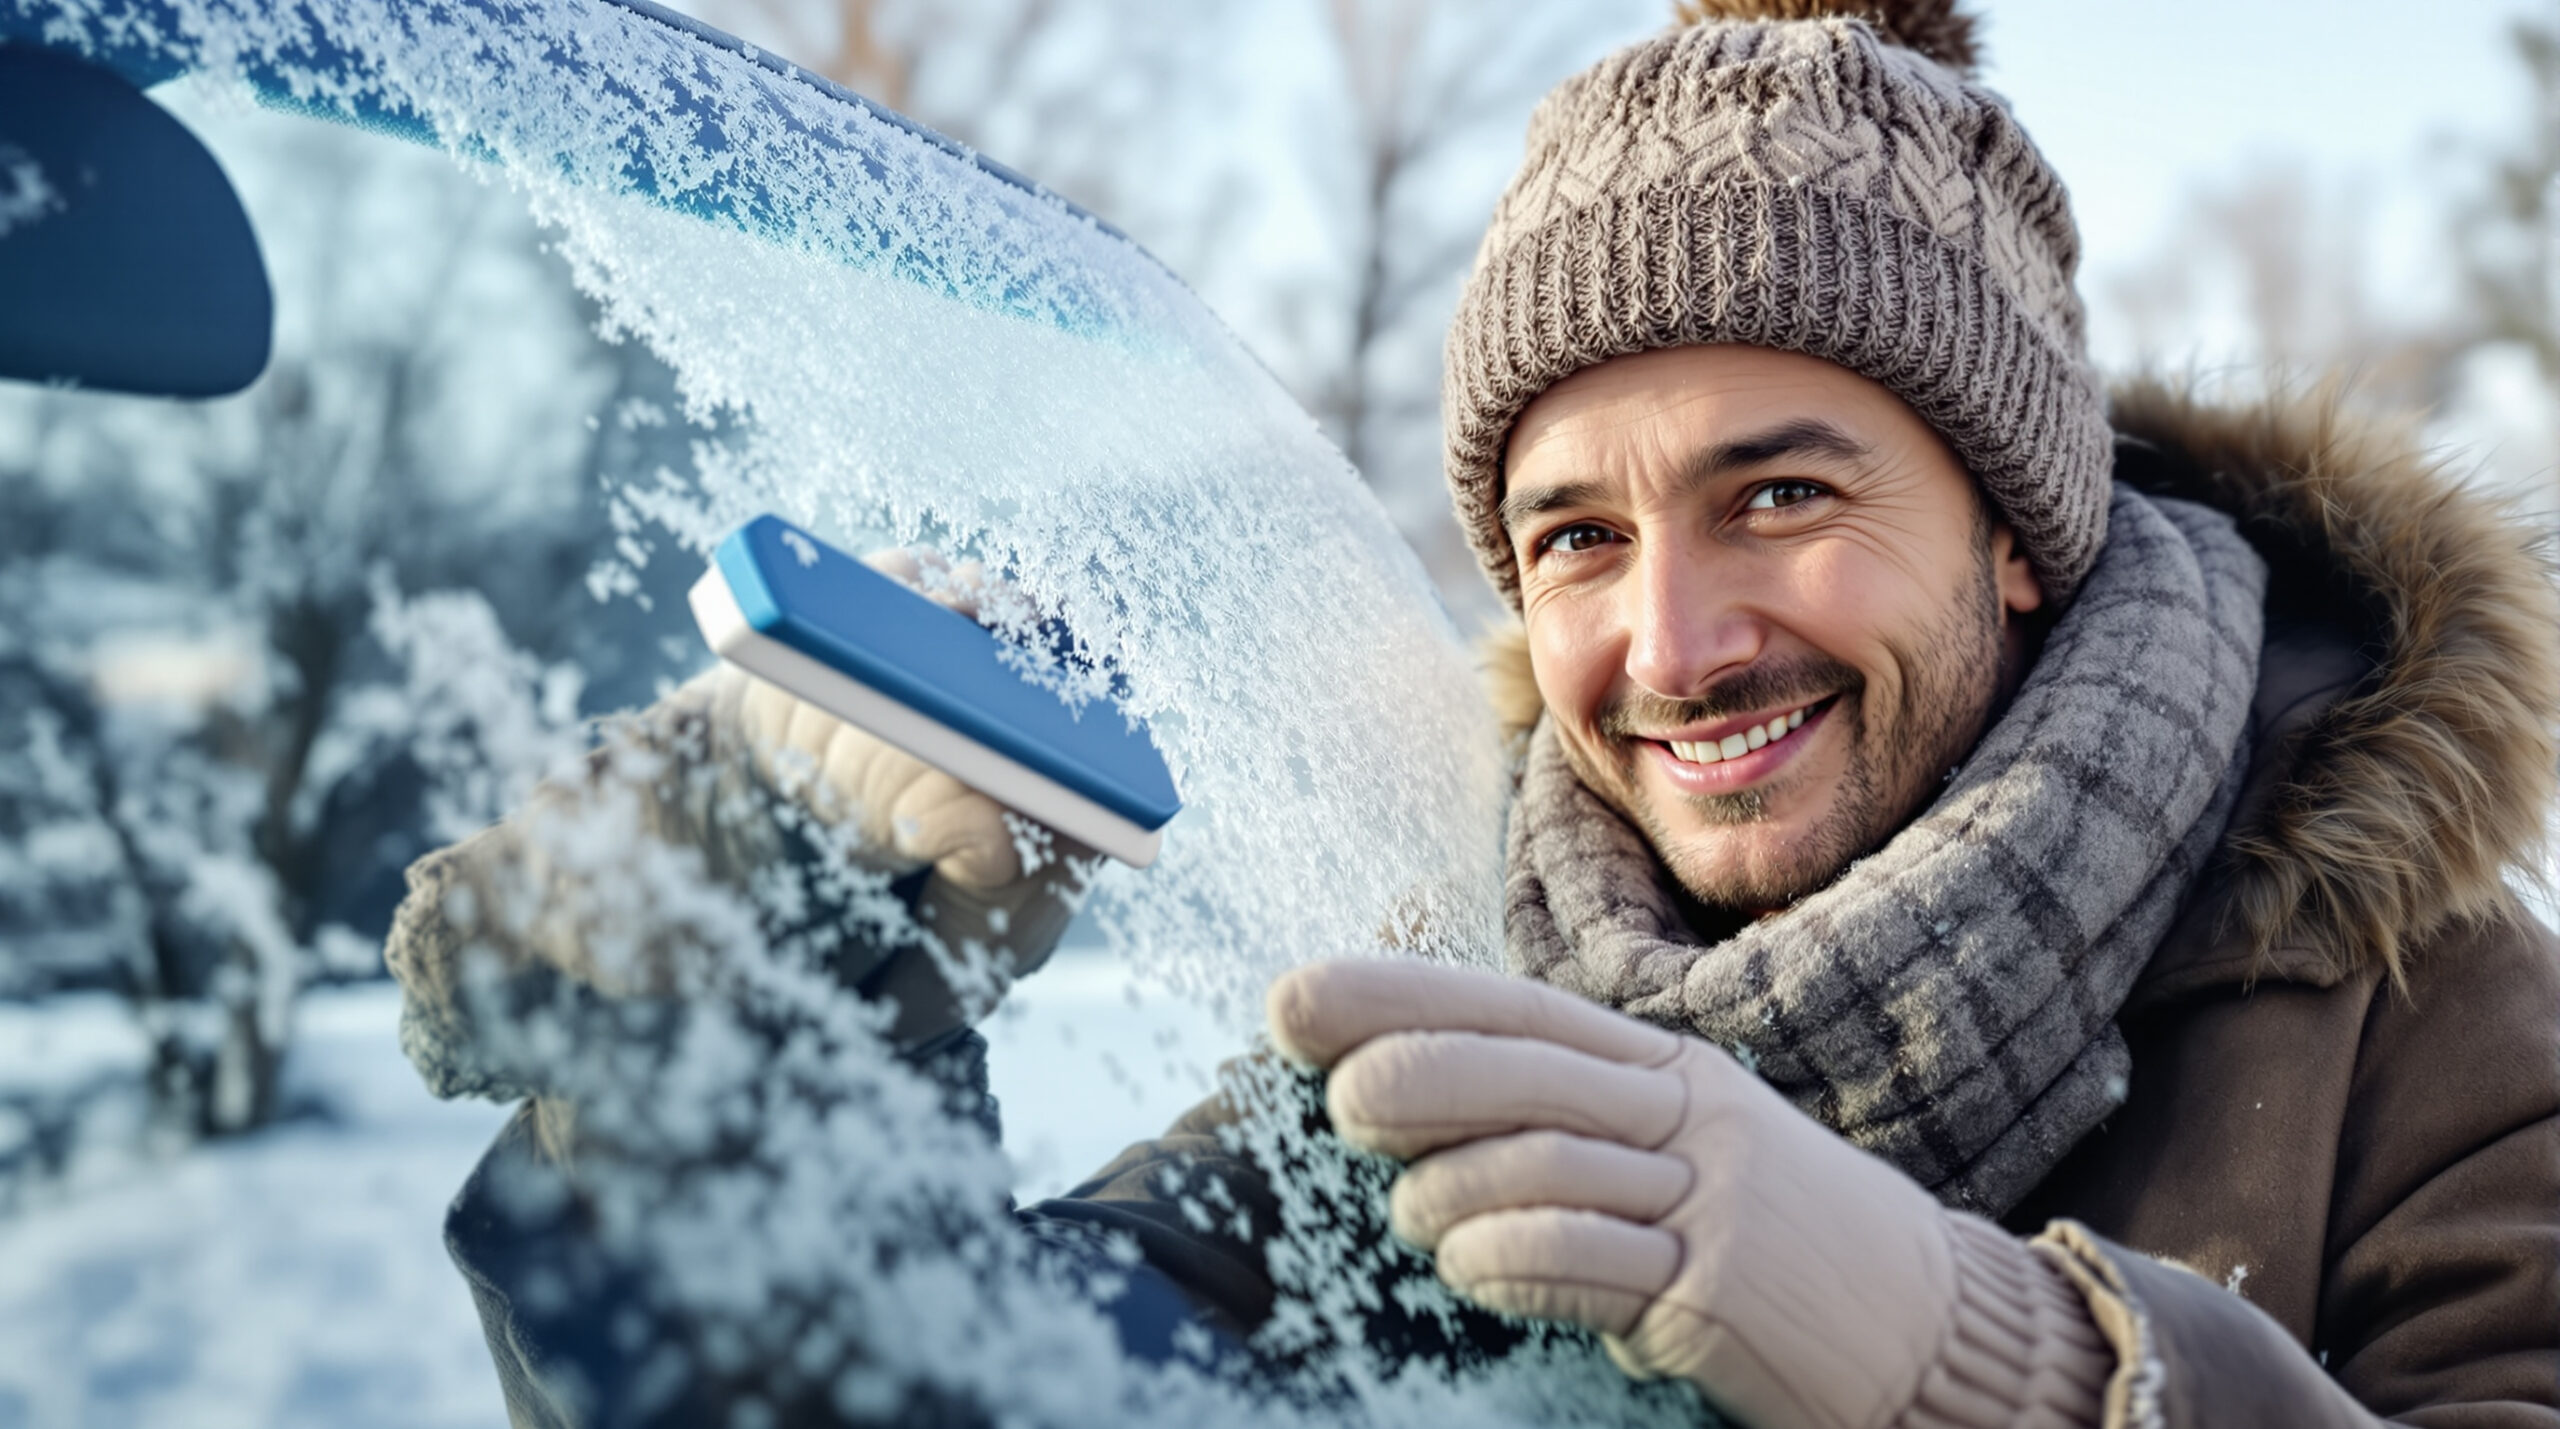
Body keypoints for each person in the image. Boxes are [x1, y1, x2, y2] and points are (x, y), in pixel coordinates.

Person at [386, 1, 2560, 1425]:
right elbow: (906, 1396)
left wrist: (1982, 1368)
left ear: (2015, 530)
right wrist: (760, 923)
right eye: (1574, 539)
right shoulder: (1446, 1012)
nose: (1676, 640)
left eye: (1777, 494)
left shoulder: (2434, 1032)